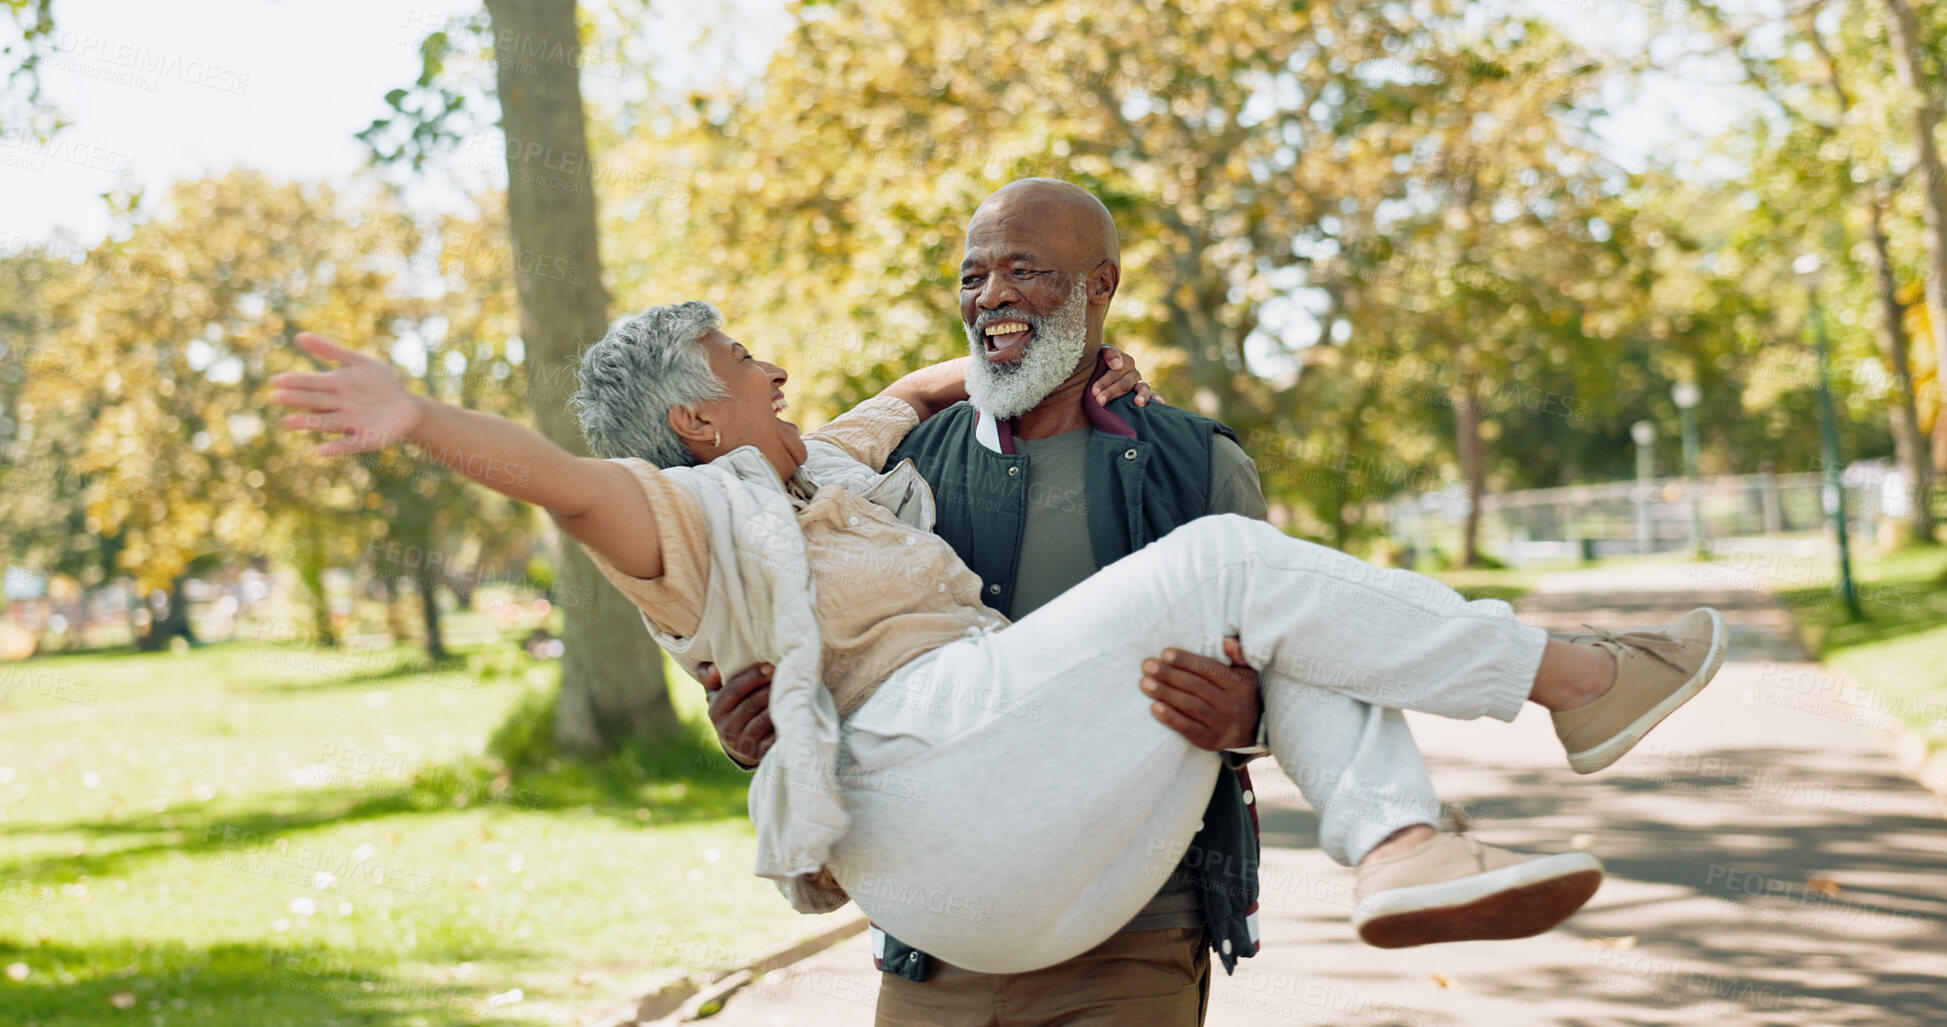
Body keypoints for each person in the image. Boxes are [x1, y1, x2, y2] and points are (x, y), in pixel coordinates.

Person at [269, 303, 1727, 978]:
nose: (777, 364)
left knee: (1277, 605)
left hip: (1016, 845)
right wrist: (420, 425)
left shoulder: (825, 467)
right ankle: (1578, 677)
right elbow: (562, 484)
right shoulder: (691, 520)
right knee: (1221, 557)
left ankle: (1404, 846)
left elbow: (935, 376)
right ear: (700, 417)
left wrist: (1076, 355)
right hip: (917, 796)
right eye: (742, 362)